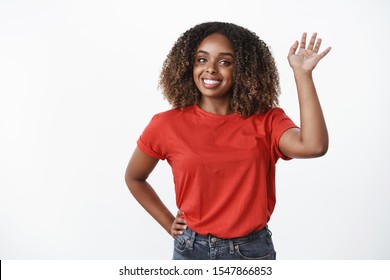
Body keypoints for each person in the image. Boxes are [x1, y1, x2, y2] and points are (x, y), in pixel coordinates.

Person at [125, 21, 331, 260]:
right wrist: (169, 223)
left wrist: (302, 74)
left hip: (251, 252)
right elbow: (134, 178)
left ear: (243, 69)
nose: (210, 69)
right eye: (202, 59)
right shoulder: (166, 124)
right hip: (191, 250)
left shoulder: (267, 121)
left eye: (224, 62)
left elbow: (314, 146)